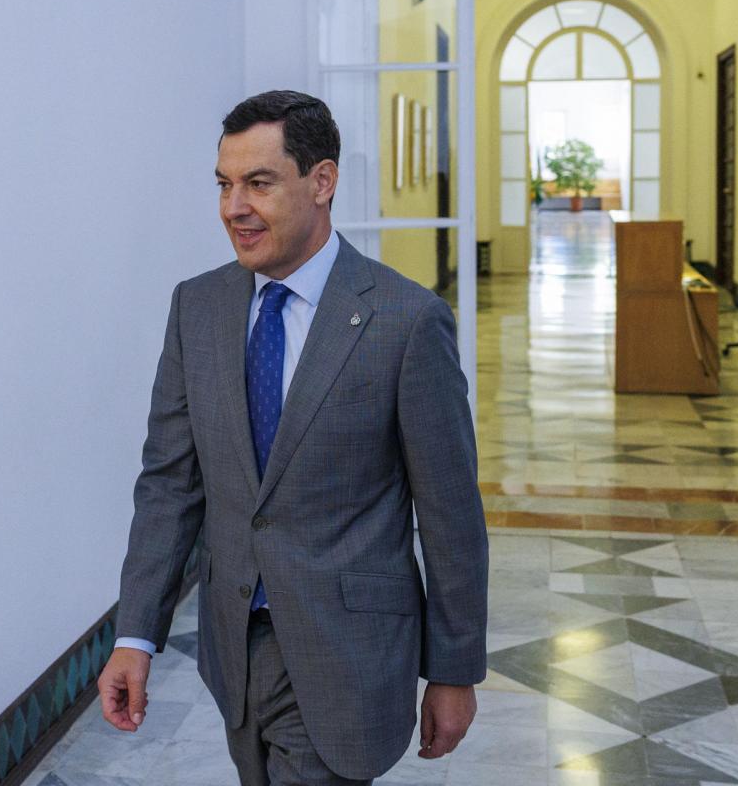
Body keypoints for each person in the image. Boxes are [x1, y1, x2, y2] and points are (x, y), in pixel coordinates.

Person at [96, 89, 489, 786]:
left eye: (259, 183)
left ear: (323, 182)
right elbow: (170, 484)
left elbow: (451, 512)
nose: (233, 207)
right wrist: (136, 634)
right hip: (234, 651)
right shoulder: (199, 307)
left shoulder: (405, 320)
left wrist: (454, 670)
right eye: (224, 185)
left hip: (350, 654)